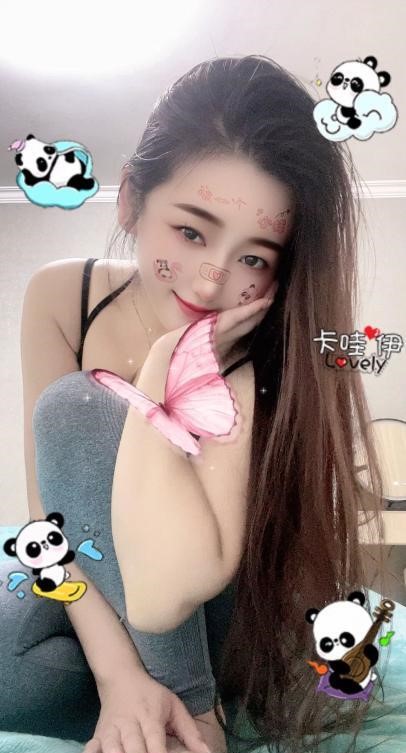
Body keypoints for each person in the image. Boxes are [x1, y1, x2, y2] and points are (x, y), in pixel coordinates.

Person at [0, 54, 389, 753]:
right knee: (10, 657)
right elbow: (48, 522)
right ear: (130, 200)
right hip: (100, 586)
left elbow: (176, 582)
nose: (212, 282)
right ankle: (152, 704)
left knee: (79, 407)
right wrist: (118, 677)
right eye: (190, 231)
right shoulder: (62, 297)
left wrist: (161, 373)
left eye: (253, 258)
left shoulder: (255, 354)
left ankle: (191, 712)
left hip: (214, 606)